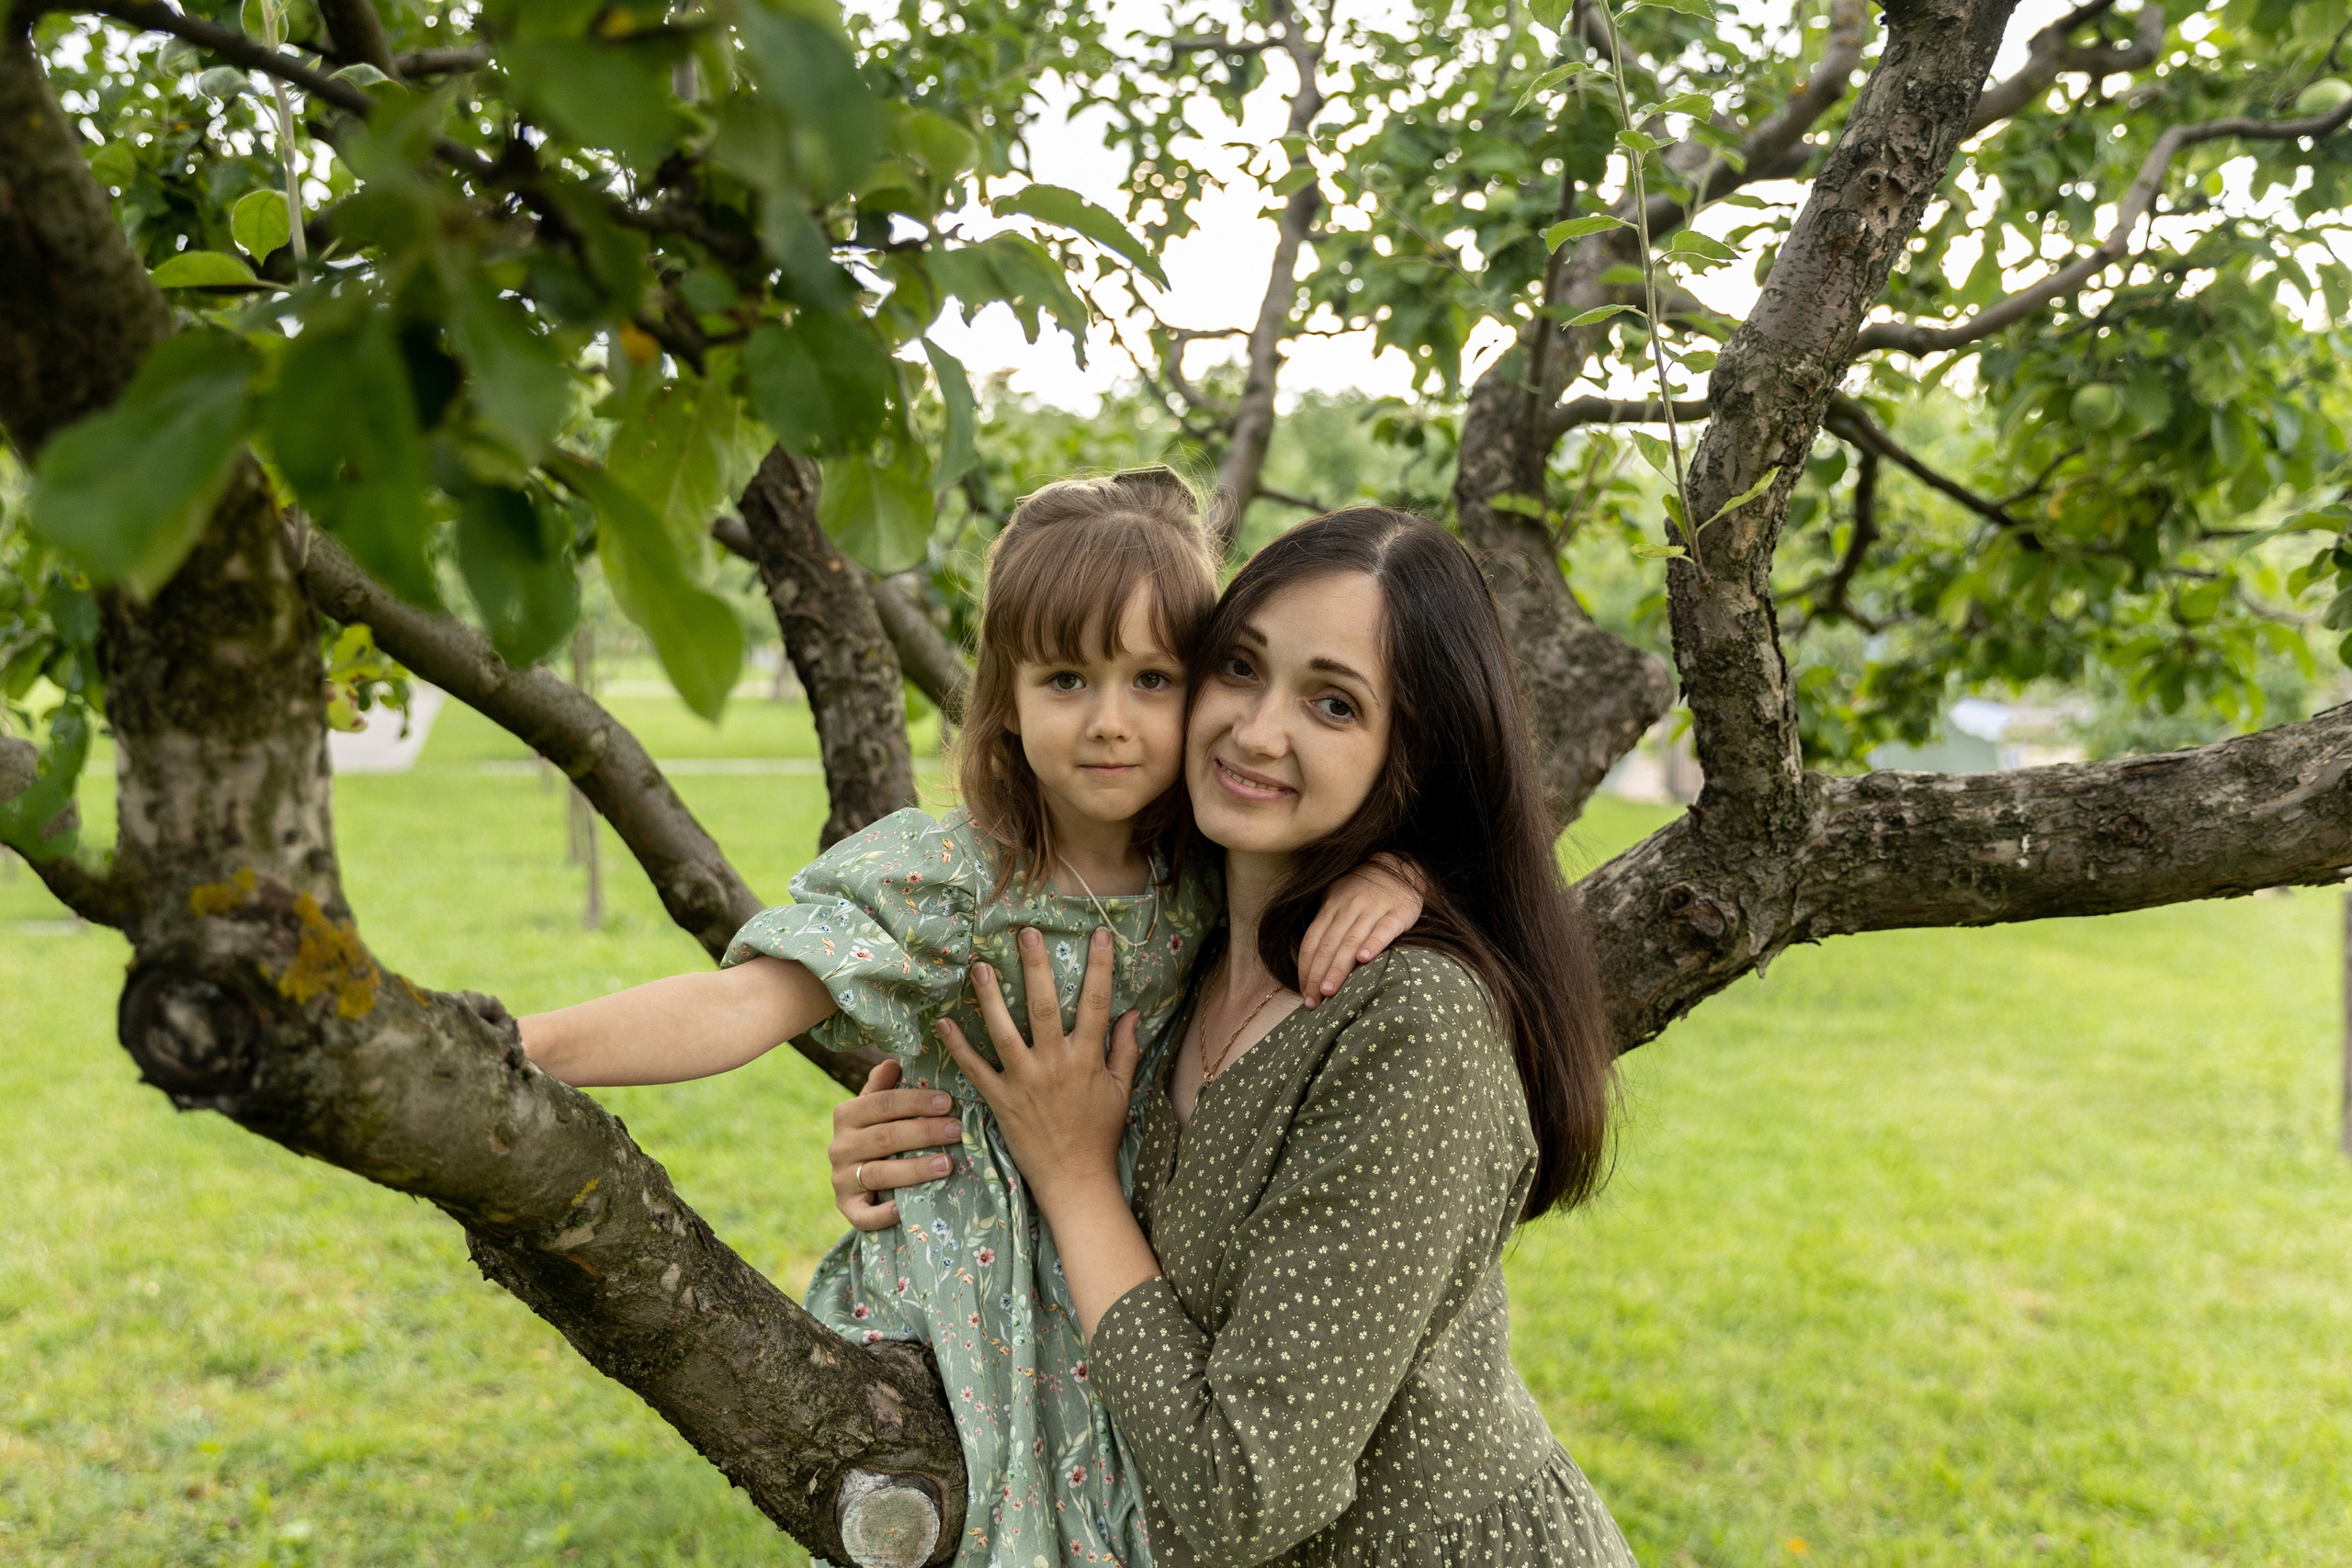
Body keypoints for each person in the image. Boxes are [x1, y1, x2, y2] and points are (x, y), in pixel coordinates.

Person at [518, 471, 1426, 1568]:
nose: (1109, 724)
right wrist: (528, 1048)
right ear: (1004, 694)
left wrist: (1403, 877)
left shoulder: (1216, 864)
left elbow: (1411, 810)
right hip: (976, 1298)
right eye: (1064, 679)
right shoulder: (955, 882)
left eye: (1152, 679)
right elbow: (743, 1002)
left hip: (1136, 1293)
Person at [843, 508, 1638, 1567]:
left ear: (1417, 752)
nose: (1259, 731)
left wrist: (1073, 1174)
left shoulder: (1412, 1026)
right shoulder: (1173, 938)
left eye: (1333, 703)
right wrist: (912, 1148)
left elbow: (1243, 1496)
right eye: (1238, 668)